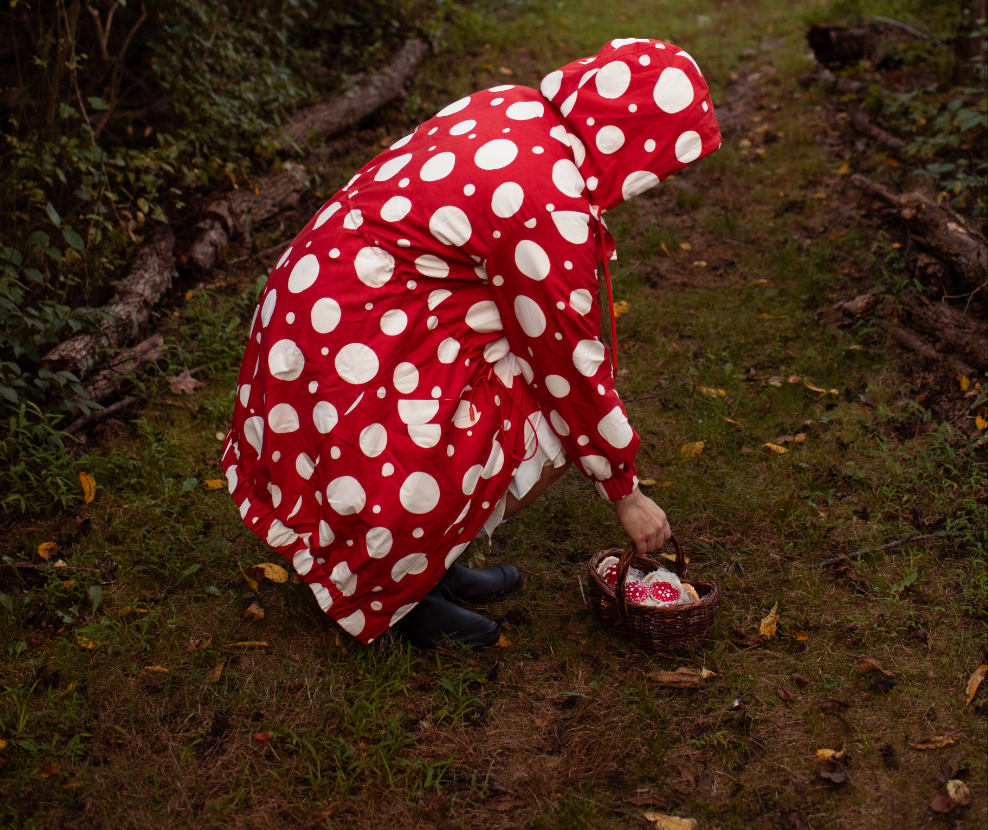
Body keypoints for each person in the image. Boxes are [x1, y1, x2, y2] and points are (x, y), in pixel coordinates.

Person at [222, 37, 721, 647]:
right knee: (546, 410)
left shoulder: (517, 106)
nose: (660, 178)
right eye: (666, 161)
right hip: (353, 332)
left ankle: (424, 564)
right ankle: (395, 592)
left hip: (324, 303)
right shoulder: (548, 202)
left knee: (520, 377)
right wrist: (625, 491)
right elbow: (570, 365)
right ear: (637, 137)